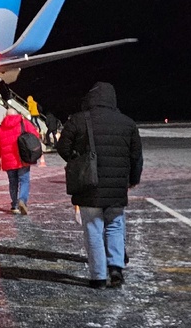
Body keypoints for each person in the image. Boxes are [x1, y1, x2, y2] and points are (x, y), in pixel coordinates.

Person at [57, 82, 143, 288]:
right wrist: (133, 179)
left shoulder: (78, 120)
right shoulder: (127, 123)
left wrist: (77, 160)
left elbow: (62, 147)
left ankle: (97, 276)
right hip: (116, 186)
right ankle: (116, 267)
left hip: (88, 185)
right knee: (115, 225)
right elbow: (136, 156)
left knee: (93, 228)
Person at [0, 110, 40, 214]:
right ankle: (22, 200)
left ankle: (14, 205)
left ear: (6, 116)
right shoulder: (24, 123)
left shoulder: (0, 129)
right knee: (24, 181)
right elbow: (35, 136)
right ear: (17, 114)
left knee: (13, 183)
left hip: (8, 162)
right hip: (23, 159)